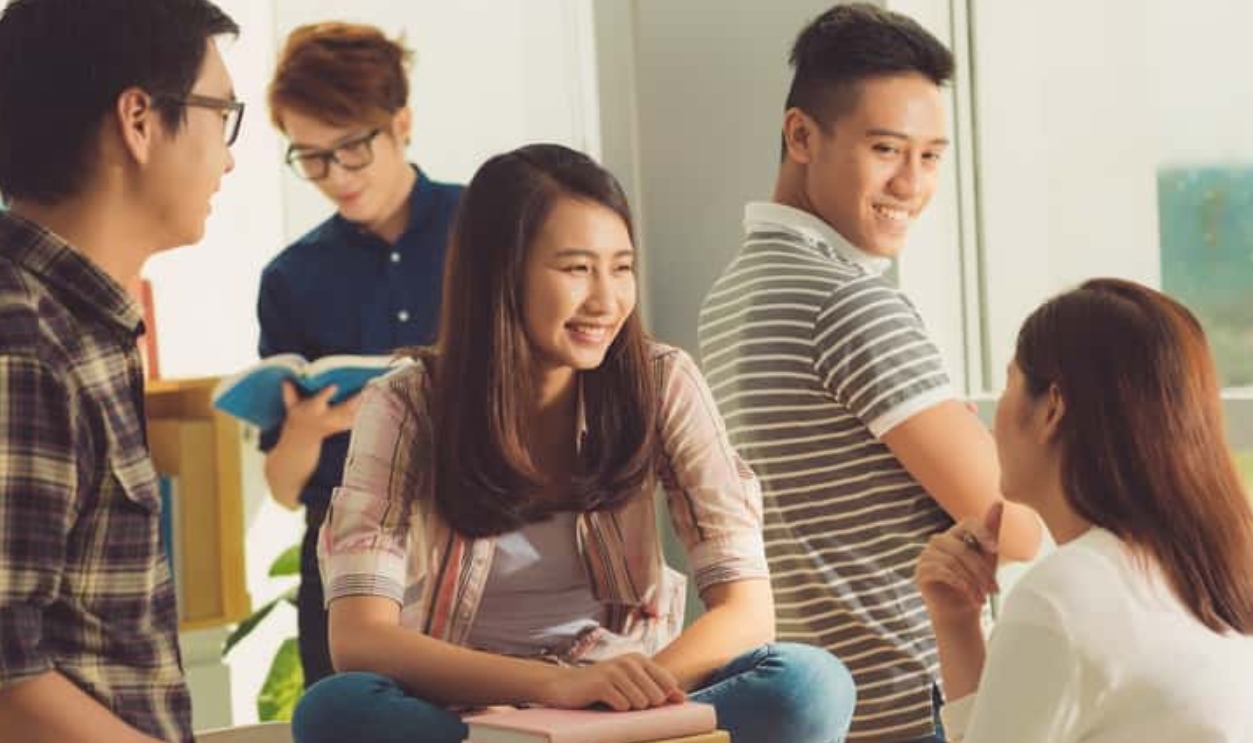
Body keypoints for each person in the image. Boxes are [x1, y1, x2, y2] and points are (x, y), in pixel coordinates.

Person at [289, 144, 856, 743]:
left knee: (807, 683)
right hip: (472, 715)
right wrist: (550, 687)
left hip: (632, 708)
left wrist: (619, 698)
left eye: (621, 267)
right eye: (577, 269)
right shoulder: (407, 401)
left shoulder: (662, 380)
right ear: (500, 273)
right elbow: (358, 638)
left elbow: (747, 611)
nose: (606, 301)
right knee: (337, 709)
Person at [697, 5, 1041, 741]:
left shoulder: (730, 293)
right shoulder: (847, 303)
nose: (911, 184)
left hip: (825, 702)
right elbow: (1014, 529)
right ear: (800, 135)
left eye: (930, 155)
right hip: (911, 696)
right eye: (886, 148)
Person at [0, 1, 241, 741]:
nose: (229, 156)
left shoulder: (83, 327)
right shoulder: (25, 341)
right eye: (220, 115)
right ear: (139, 119)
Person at [916, 278, 1253, 743]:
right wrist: (957, 624)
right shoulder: (1210, 573)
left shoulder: (1062, 597)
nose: (981, 412)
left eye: (1010, 382)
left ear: (1052, 408)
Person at [258, 21, 463, 687]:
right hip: (343, 565)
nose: (334, 176)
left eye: (351, 148)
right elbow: (284, 487)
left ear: (400, 122)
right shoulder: (290, 276)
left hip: (480, 542)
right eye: (310, 156)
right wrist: (306, 429)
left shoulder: (487, 227)